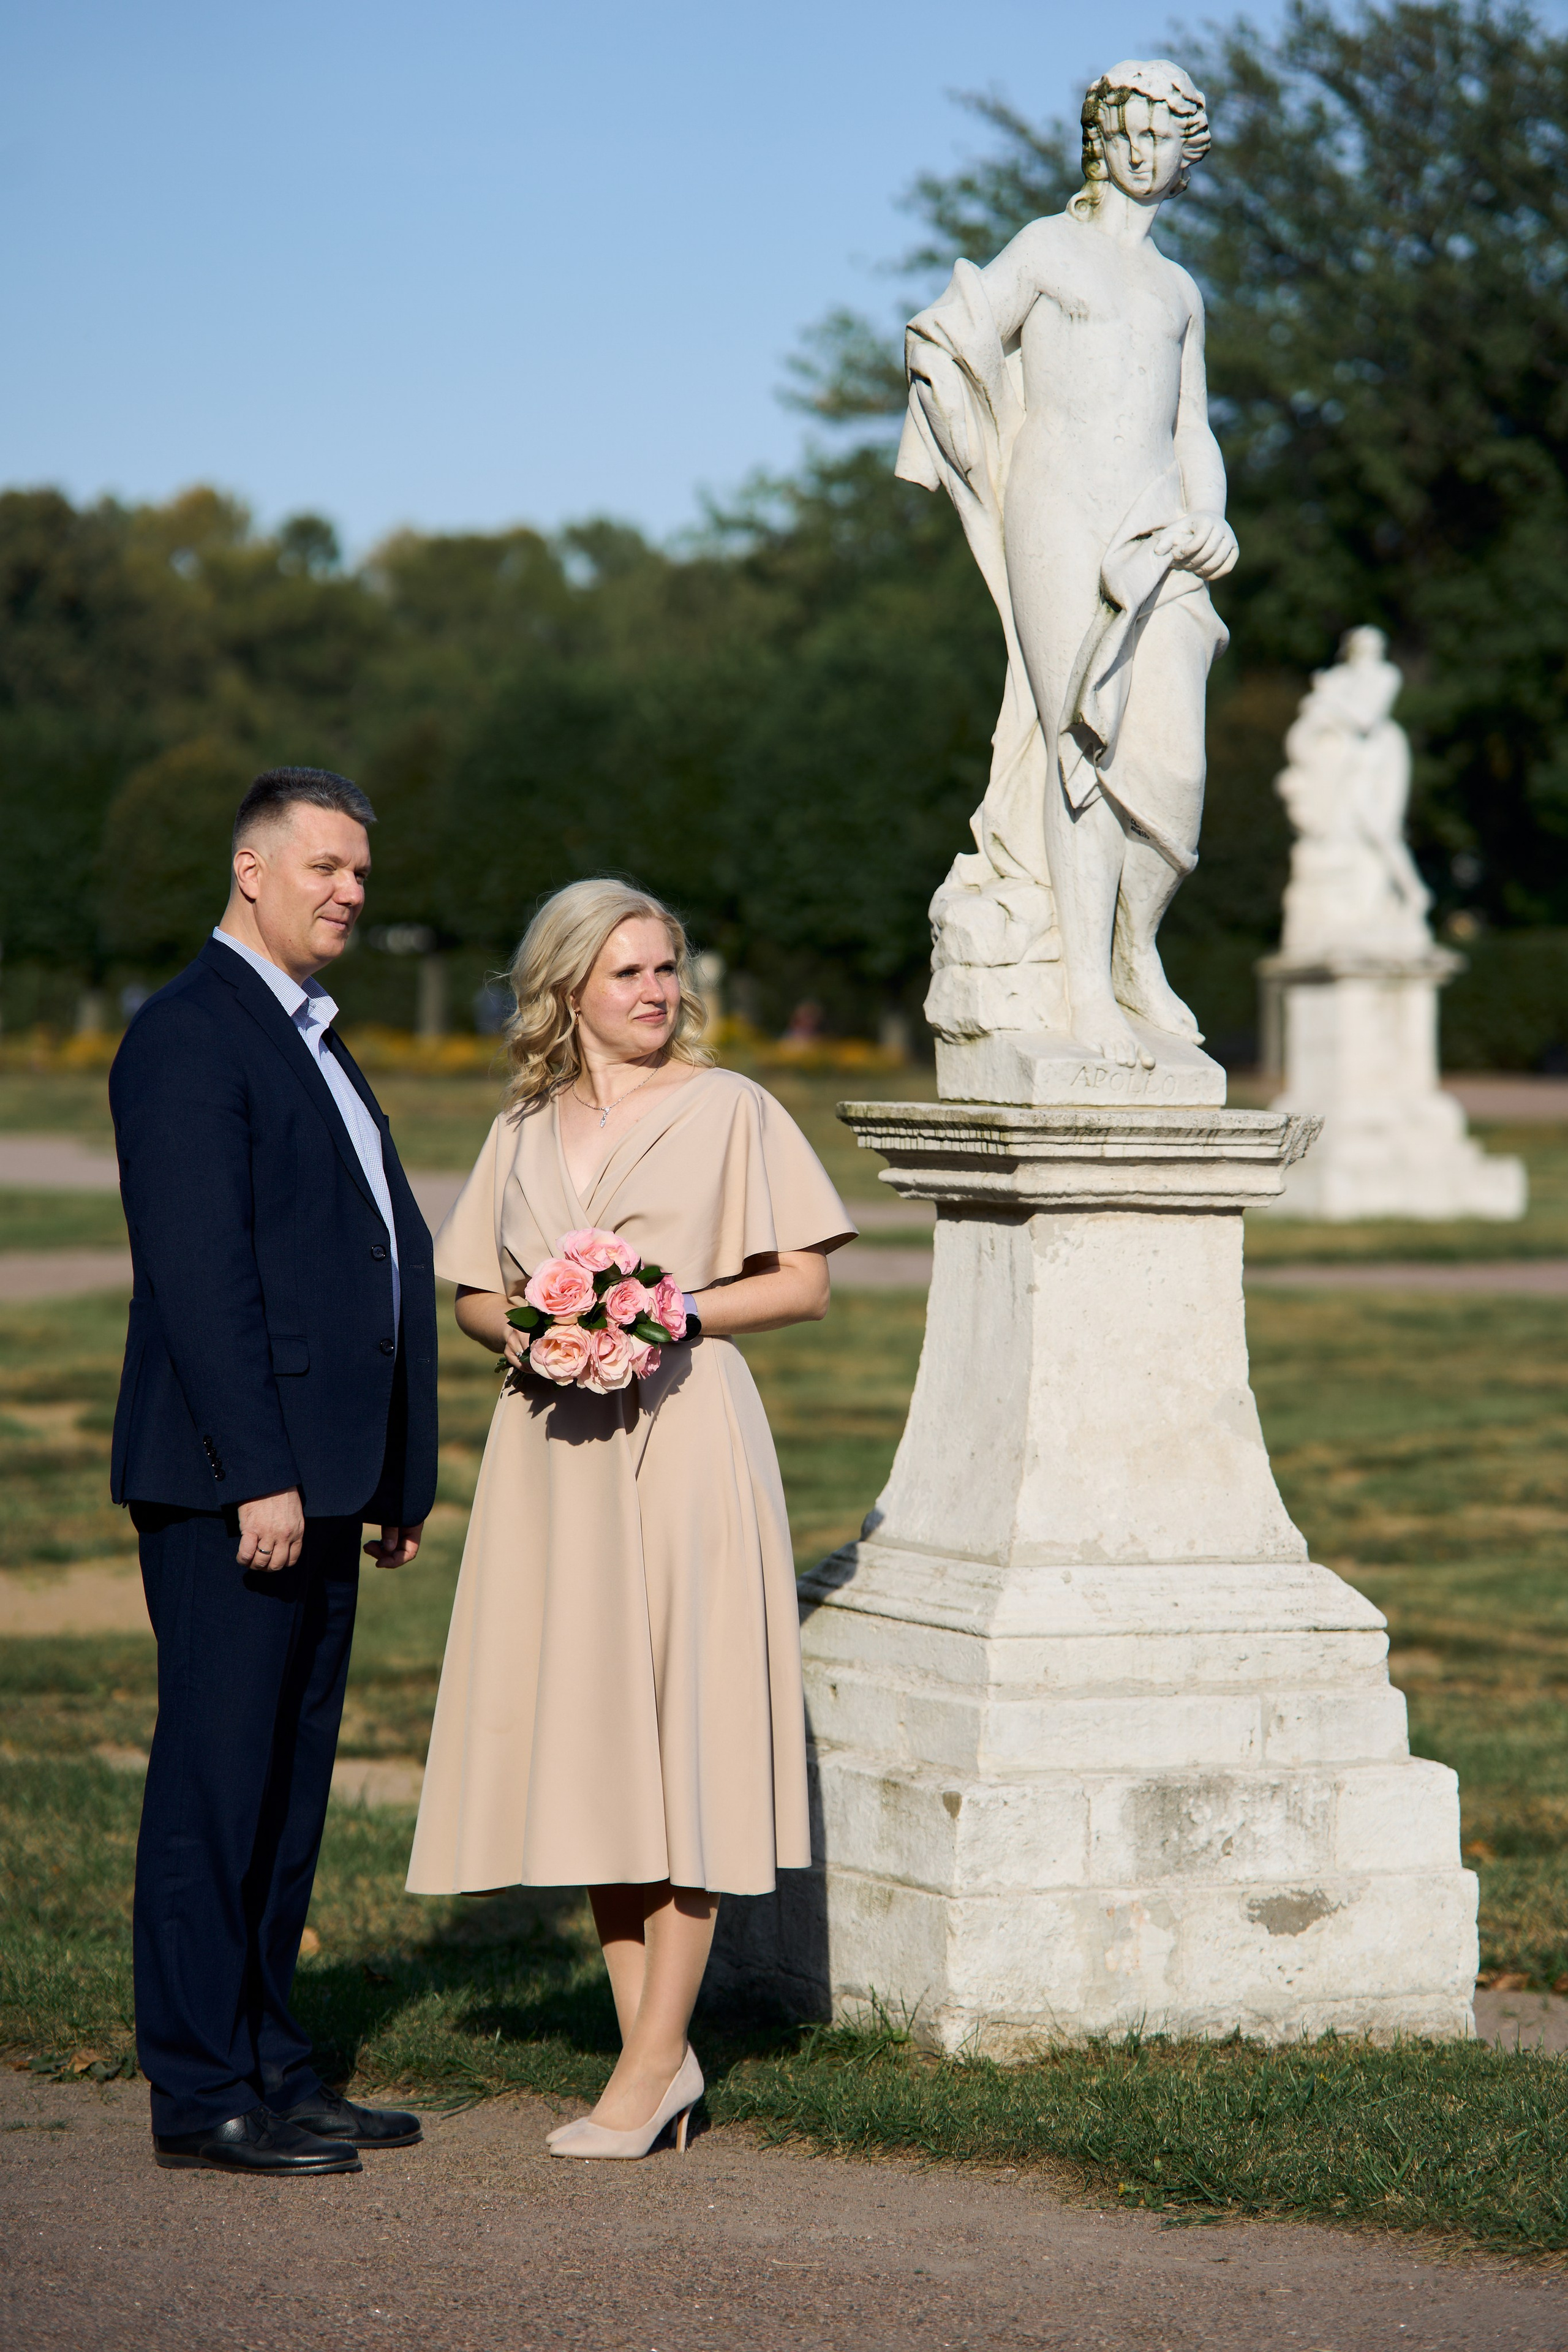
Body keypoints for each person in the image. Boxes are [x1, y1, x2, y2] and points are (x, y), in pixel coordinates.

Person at [406, 879, 855, 2158]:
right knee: (600, 1742)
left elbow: (805, 1284)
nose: (656, 992)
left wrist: (667, 1314)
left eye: (667, 970)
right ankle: (656, 2060)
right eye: (628, 974)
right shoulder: (524, 1125)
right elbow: (473, 1298)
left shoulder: (733, 1111)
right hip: (553, 1447)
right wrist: (545, 1329)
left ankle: (648, 2067)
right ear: (565, 990)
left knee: (684, 1738)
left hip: (686, 1437)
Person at [110, 767, 439, 2176]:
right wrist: (258, 1473)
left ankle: (275, 2060)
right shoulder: (190, 1036)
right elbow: (205, 1279)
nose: (351, 891)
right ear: (251, 870)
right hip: (231, 1484)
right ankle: (199, 2093)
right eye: (324, 867)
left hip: (319, 1481)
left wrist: (393, 1479)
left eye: (361, 870)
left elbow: (367, 1252)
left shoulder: (312, 1037)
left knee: (288, 1787)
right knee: (213, 1782)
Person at [899, 59, 1237, 1068]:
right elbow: (953, 333)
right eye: (1126, 131)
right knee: (1080, 745)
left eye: (1162, 135)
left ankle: (1136, 945)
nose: (1142, 150)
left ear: (1187, 155)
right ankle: (1086, 988)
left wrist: (1212, 515)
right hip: (1055, 506)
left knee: (1175, 761)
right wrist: (947, 394)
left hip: (1156, 521)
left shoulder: (1180, 290)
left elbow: (1192, 426)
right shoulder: (1048, 247)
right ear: (1103, 140)